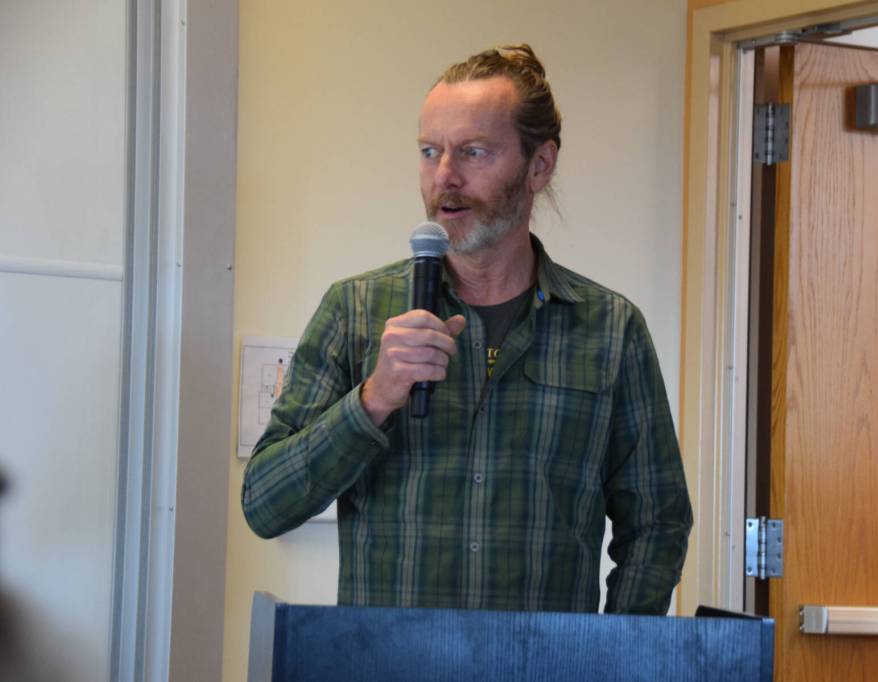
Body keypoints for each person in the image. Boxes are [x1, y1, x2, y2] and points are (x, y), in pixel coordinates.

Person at [242, 44, 692, 615]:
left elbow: (657, 523)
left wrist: (611, 651)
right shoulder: (354, 310)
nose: (445, 177)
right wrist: (373, 400)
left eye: (473, 152)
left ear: (539, 165)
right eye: (430, 152)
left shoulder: (610, 329)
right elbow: (265, 506)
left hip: (544, 659)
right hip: (390, 657)